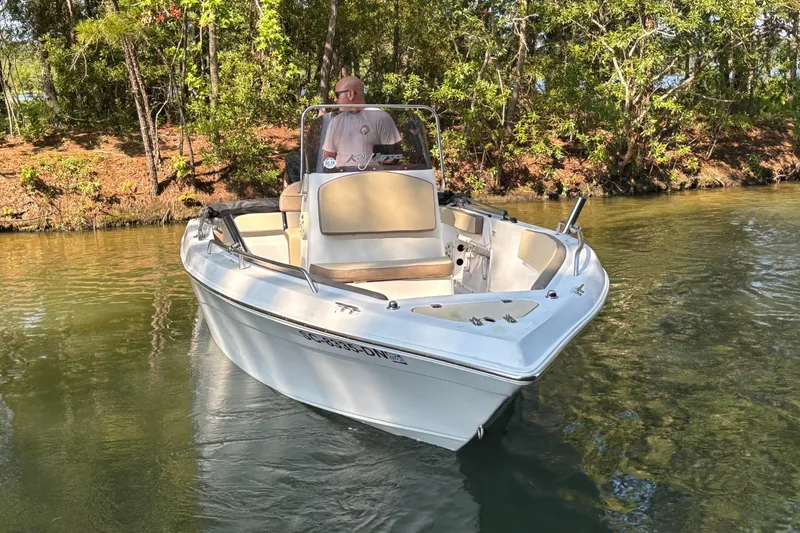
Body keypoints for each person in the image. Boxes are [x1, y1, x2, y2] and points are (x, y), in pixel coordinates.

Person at [321, 76, 402, 168]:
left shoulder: (381, 117)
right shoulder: (335, 122)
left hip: (374, 178)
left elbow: (391, 158)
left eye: (337, 95)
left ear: (350, 94)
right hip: (341, 179)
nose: (335, 100)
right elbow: (328, 157)